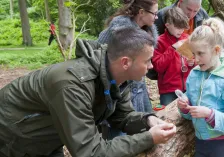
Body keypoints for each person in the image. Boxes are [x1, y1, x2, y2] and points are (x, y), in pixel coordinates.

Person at [0, 27, 176, 157]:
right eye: (147, 61)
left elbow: (122, 116)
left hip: (48, 137)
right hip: (14, 139)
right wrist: (149, 138)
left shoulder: (117, 77)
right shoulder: (72, 86)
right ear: (125, 62)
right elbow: (89, 152)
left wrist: (148, 120)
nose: (151, 66)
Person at [177, 17, 224, 157]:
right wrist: (185, 107)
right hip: (200, 143)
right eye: (193, 53)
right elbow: (191, 114)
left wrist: (210, 114)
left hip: (223, 147)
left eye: (200, 54)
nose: (195, 59)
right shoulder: (194, 75)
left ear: (216, 50)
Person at [98, 0, 159, 139]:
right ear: (141, 12)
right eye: (154, 13)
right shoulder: (115, 32)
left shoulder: (147, 30)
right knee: (119, 134)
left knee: (141, 126)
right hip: (118, 89)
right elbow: (102, 64)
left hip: (138, 89)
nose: (157, 17)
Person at [152, 7, 193, 110]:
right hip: (168, 90)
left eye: (183, 27)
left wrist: (193, 63)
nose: (181, 30)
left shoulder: (187, 38)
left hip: (188, 87)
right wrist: (173, 48)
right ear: (167, 25)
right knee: (168, 116)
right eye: (177, 27)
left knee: (187, 115)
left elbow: (195, 59)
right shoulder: (159, 42)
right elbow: (158, 67)